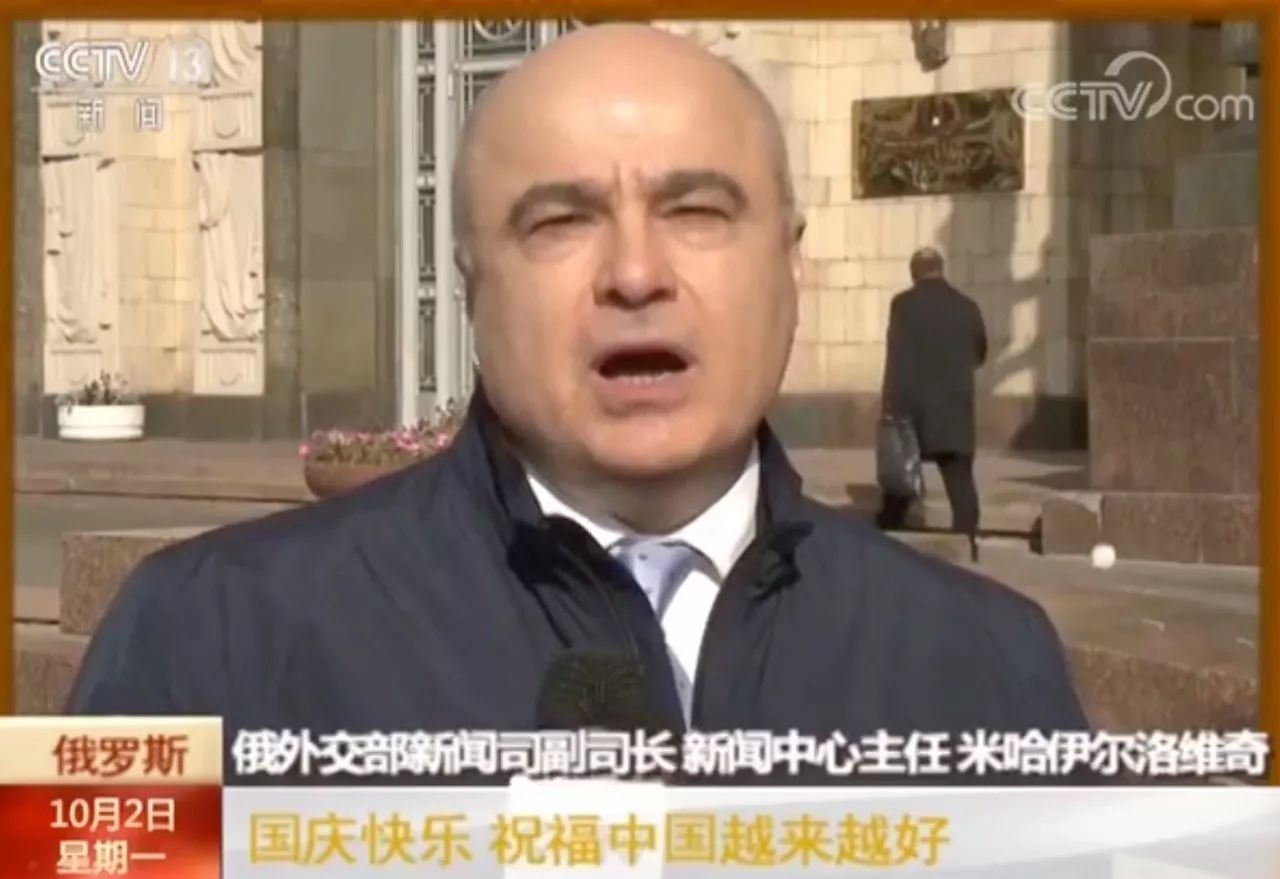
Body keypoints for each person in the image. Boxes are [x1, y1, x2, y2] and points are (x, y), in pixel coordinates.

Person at [67, 25, 1086, 782]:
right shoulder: (201, 633)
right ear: (473, 287)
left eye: (697, 210)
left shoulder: (988, 662)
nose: (635, 274)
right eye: (559, 222)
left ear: (791, 270)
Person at [878, 248, 988, 561]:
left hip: (911, 410)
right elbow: (980, 352)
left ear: (914, 273)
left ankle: (887, 543)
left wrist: (889, 405)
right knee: (960, 483)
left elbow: (895, 354)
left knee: (900, 480)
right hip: (954, 410)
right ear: (942, 269)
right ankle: (966, 543)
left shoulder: (902, 305)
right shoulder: (967, 307)